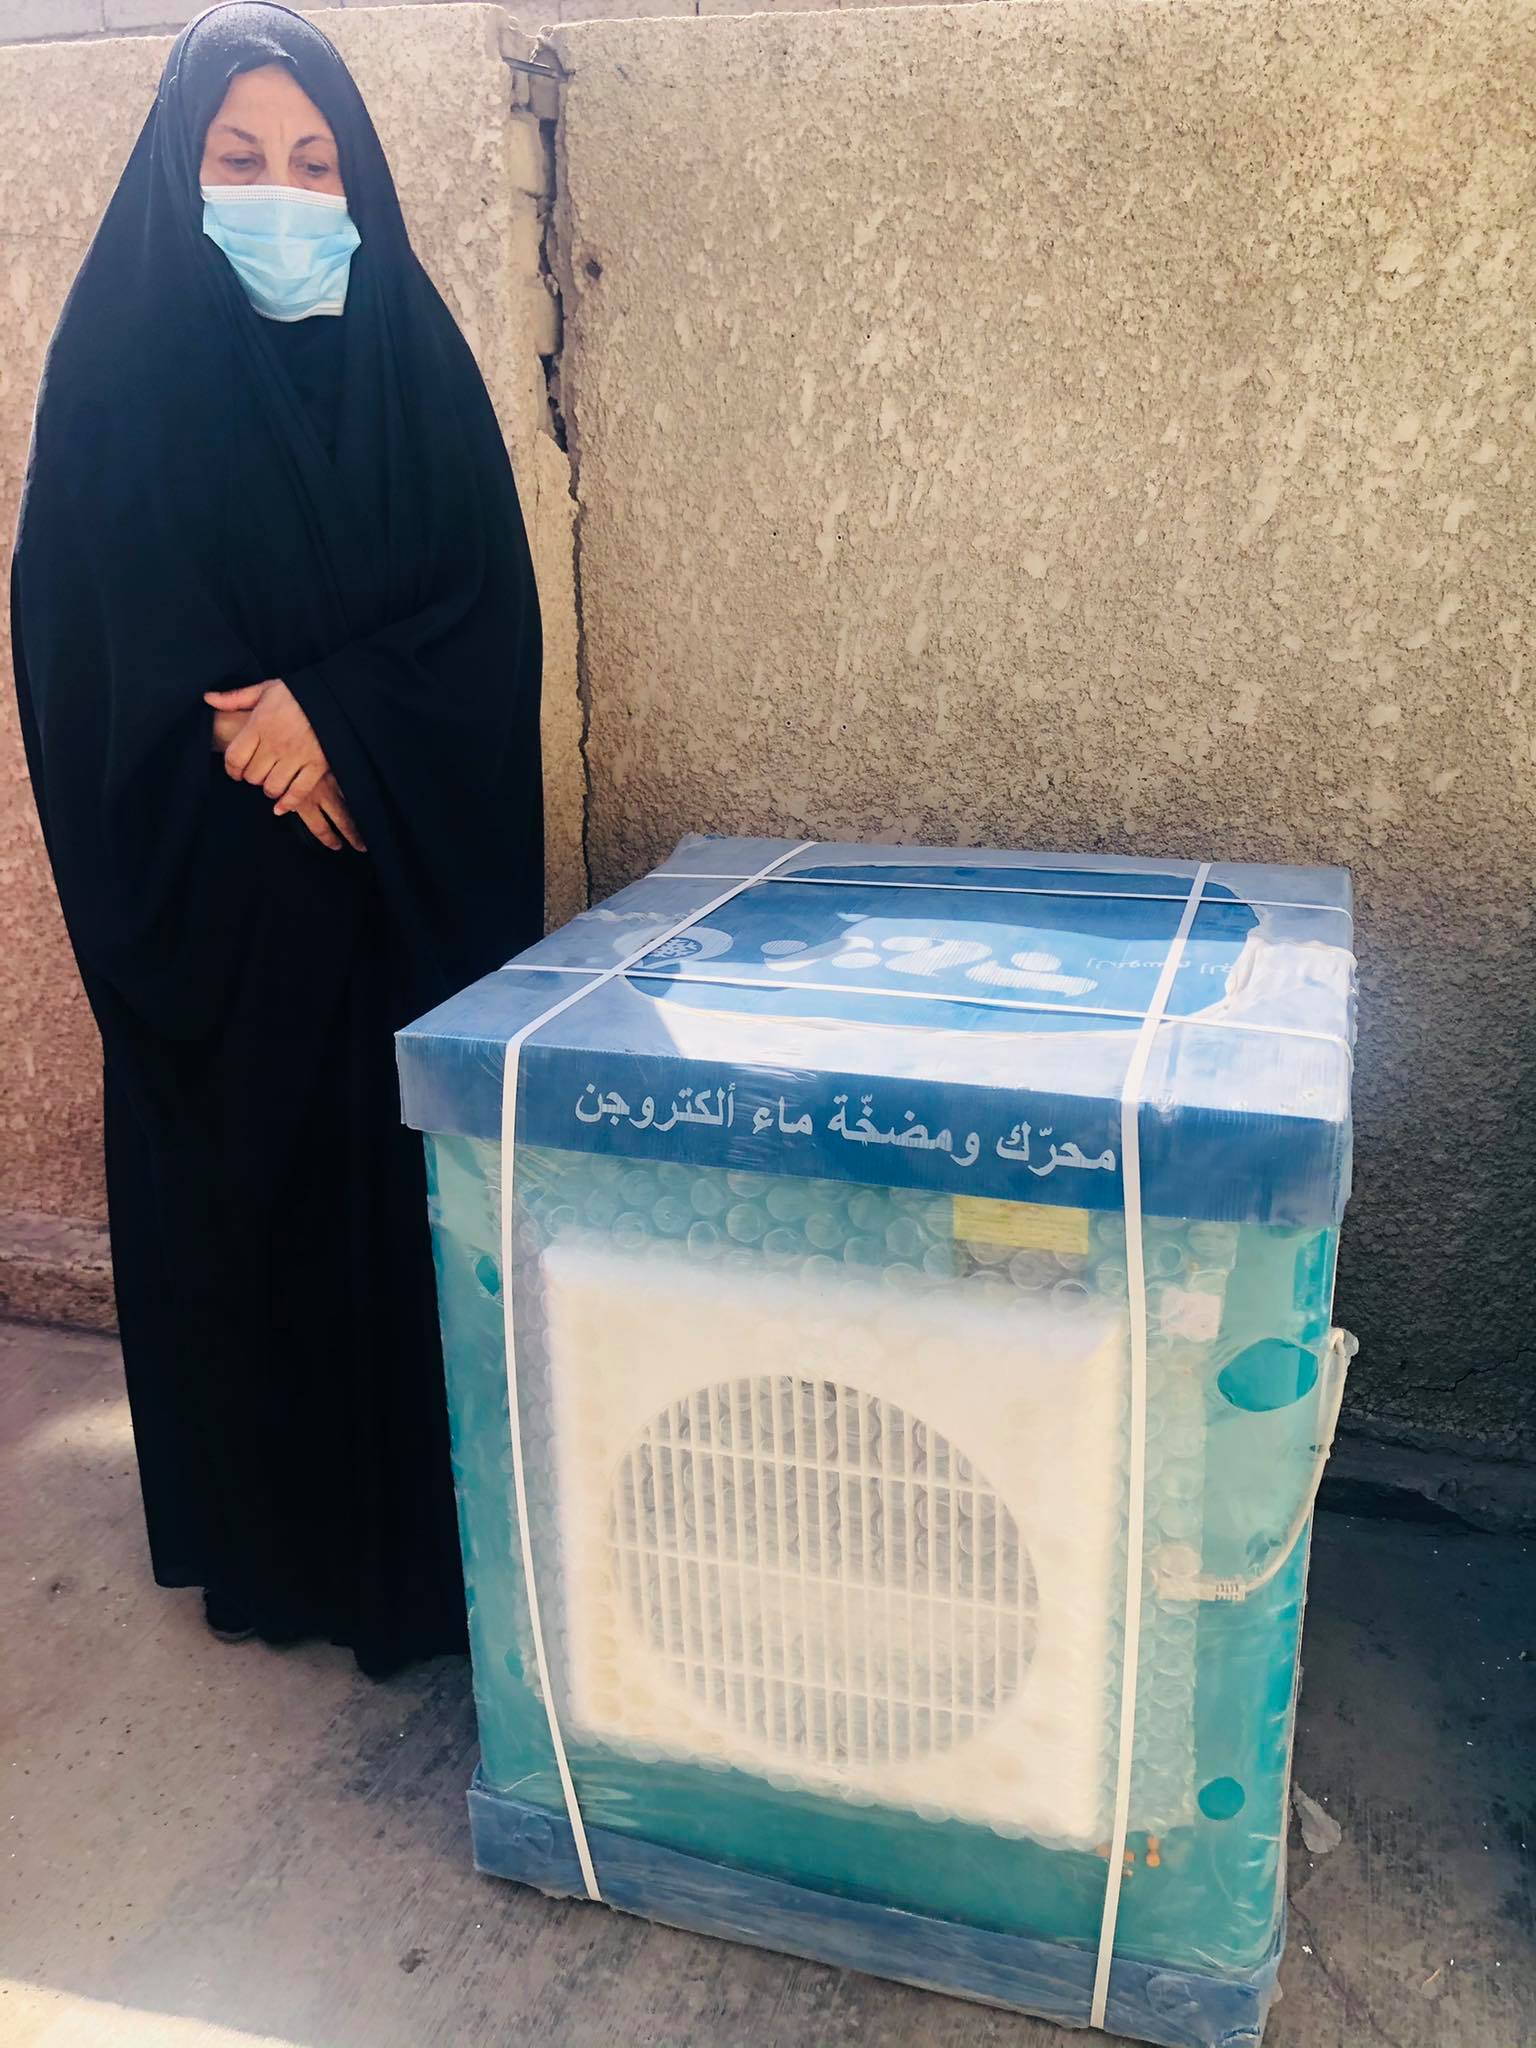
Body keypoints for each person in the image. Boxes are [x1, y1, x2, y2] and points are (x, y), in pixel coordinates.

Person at [10, 2, 543, 1677]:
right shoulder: (120, 371)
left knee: (400, 1216)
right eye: (237, 160)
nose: (283, 194)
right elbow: (80, 633)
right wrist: (246, 736)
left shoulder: (411, 356)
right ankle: (277, 1548)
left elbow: (486, 610)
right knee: (257, 1215)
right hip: (224, 907)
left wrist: (344, 718)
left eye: (317, 164)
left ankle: (424, 1561)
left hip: (391, 896)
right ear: (180, 176)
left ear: (359, 181)